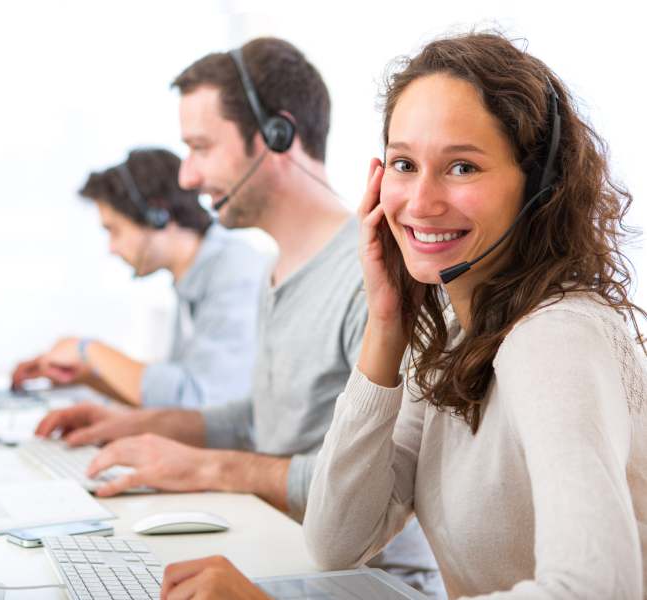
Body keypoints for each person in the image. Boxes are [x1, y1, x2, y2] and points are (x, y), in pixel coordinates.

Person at [161, 31, 647, 599]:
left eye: (462, 167)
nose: (420, 202)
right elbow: (337, 540)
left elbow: (597, 589)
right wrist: (386, 323)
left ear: (539, 187)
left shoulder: (556, 335)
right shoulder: (451, 338)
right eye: (404, 164)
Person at [36, 37, 441, 593]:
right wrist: (137, 426)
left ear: (279, 135)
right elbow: (263, 420)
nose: (186, 178)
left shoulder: (374, 277)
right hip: (285, 547)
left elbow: (377, 485)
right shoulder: (274, 270)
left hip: (365, 579)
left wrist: (207, 467)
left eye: (201, 147)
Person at [11, 148, 268, 408]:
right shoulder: (192, 280)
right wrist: (86, 379)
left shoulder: (236, 272)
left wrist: (87, 350)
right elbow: (171, 403)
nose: (111, 248)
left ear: (158, 216)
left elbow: (202, 402)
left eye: (114, 230)